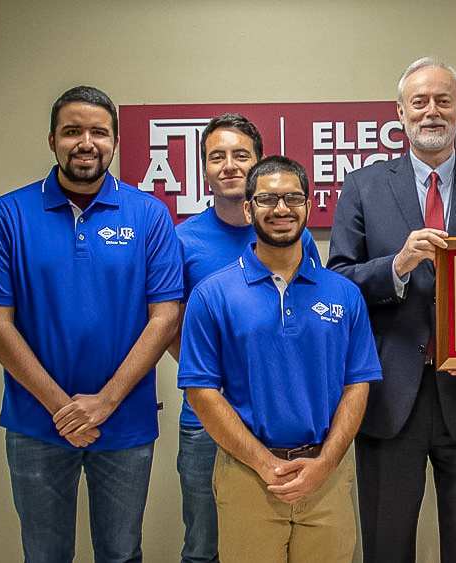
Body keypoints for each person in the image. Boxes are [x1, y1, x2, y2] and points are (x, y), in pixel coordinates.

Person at [327, 56, 456, 563]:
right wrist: (397, 264)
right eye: (419, 102)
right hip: (390, 398)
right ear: (400, 112)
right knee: (387, 544)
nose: (431, 111)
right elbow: (339, 282)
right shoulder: (363, 186)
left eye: (443, 100)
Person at [0, 85, 183, 562]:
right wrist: (63, 408)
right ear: (52, 140)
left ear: (115, 141)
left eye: (98, 132)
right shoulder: (9, 214)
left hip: (125, 421)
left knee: (122, 553)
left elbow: (165, 316)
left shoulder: (149, 215)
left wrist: (105, 402)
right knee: (44, 555)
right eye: (72, 131)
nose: (85, 142)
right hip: (37, 424)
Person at [178, 155, 381, 563]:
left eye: (293, 198)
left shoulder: (343, 294)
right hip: (246, 476)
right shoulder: (212, 294)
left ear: (309, 205)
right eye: (268, 199)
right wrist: (265, 464)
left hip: (327, 474)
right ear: (249, 208)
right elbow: (201, 392)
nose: (282, 209)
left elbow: (357, 384)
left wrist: (325, 463)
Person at [168, 112, 319, 563]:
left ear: (257, 167)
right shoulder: (184, 240)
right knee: (202, 545)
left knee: (270, 544)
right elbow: (173, 327)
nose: (229, 165)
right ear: (205, 168)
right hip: (205, 421)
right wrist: (212, 388)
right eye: (217, 156)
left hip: (275, 424)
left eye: (240, 155)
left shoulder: (298, 236)